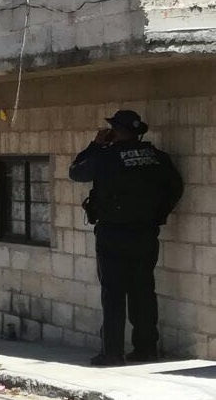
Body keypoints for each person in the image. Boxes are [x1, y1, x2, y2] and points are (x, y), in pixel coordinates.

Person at [69, 109, 184, 367]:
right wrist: (158, 216)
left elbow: (76, 172)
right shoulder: (156, 156)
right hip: (145, 232)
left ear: (115, 131)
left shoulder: (106, 156)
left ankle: (112, 353)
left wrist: (95, 145)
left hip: (113, 233)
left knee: (113, 294)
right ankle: (145, 349)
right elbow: (176, 187)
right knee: (143, 290)